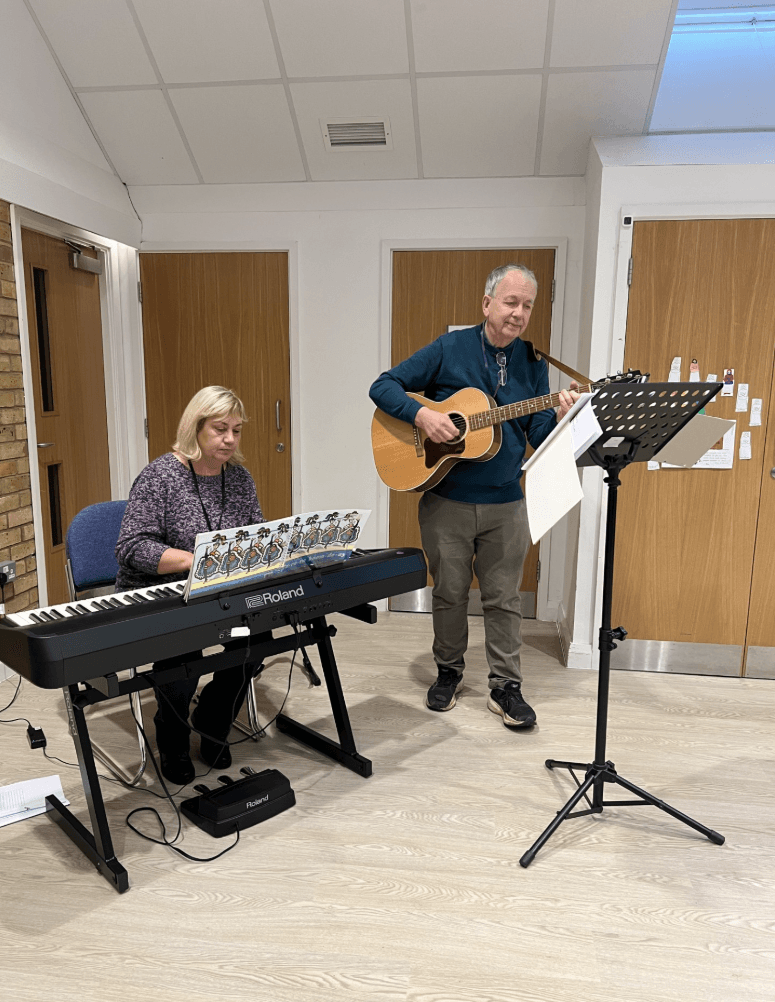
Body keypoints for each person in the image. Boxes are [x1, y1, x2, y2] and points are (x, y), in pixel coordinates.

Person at [369, 264, 577, 729]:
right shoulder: (449, 348)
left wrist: (562, 418)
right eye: (510, 302)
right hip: (447, 499)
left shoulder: (535, 362)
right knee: (448, 592)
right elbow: (382, 386)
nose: (518, 313)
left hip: (507, 501)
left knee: (504, 598)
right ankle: (448, 672)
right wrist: (423, 416)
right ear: (487, 304)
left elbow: (537, 435)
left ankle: (506, 688)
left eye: (527, 306)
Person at [115, 386, 264, 785]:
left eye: (236, 430)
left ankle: (213, 721)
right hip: (163, 595)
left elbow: (254, 537)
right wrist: (201, 559)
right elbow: (131, 547)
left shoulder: (239, 479)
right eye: (220, 429)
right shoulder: (160, 476)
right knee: (184, 653)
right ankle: (173, 736)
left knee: (254, 639)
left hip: (218, 594)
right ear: (195, 428)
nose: (230, 439)